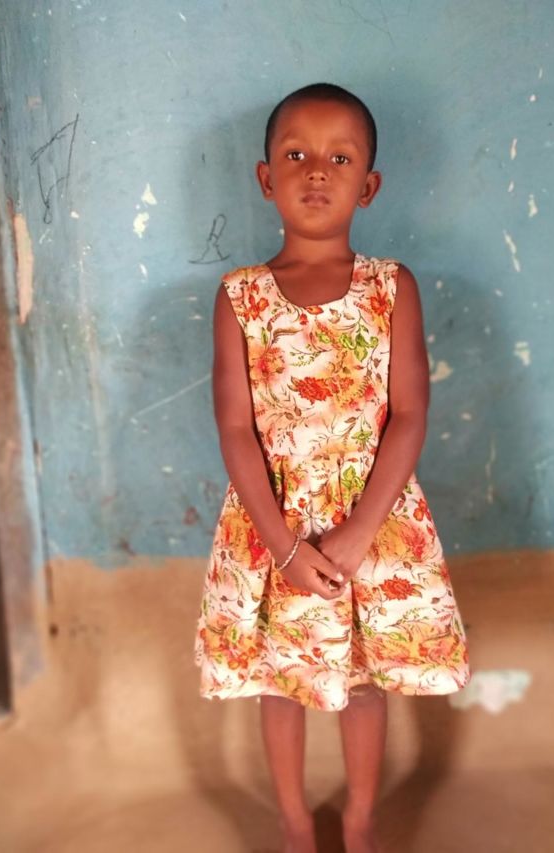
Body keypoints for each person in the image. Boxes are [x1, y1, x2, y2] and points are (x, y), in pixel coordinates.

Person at [194, 82, 471, 853]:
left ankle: (359, 819)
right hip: (273, 525)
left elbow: (409, 414)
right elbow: (235, 428)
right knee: (282, 684)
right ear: (265, 178)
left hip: (371, 524)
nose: (317, 170)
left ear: (368, 187)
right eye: (296, 154)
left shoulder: (391, 288)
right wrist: (284, 546)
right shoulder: (240, 297)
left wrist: (356, 534)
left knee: (363, 683)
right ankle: (293, 823)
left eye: (339, 158)